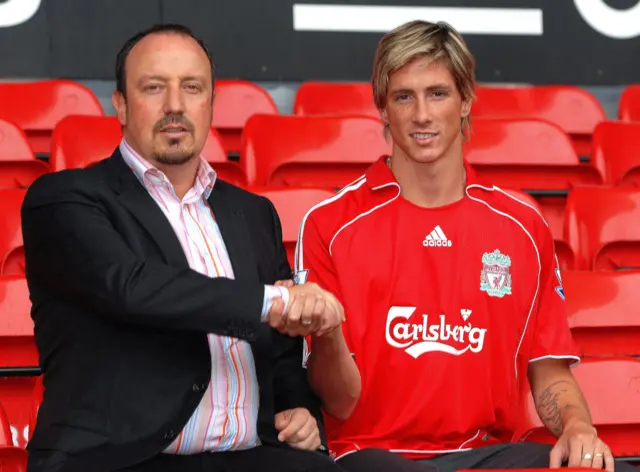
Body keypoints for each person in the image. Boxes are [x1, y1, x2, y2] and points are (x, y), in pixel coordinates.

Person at [295, 20, 634, 472]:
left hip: (486, 456)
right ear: (382, 108)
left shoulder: (521, 227)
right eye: (403, 96)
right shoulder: (330, 225)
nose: (421, 114)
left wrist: (577, 427)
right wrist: (329, 330)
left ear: (466, 100)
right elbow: (336, 402)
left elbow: (548, 370)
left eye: (437, 93)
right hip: (370, 456)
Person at [22, 24, 344, 472]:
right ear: (120, 104)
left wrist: (298, 410)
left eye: (192, 88)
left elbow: (284, 353)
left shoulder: (252, 213)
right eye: (154, 87)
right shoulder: (64, 199)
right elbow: (132, 287)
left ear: (210, 102)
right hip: (121, 460)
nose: (175, 105)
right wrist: (275, 300)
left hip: (249, 456)